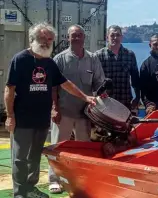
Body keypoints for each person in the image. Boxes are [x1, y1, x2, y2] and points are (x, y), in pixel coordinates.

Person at [3, 22, 96, 198]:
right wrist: (10, 116)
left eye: (50, 39)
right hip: (22, 119)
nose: (46, 42)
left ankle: (30, 188)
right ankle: (20, 193)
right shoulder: (20, 59)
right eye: (42, 38)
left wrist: (85, 97)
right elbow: (9, 89)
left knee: (35, 157)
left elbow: (65, 84)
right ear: (33, 39)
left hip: (41, 120)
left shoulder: (49, 63)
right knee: (20, 158)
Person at [48, 24, 105, 194]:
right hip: (64, 111)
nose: (77, 38)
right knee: (58, 147)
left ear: (84, 37)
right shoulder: (59, 59)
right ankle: (54, 180)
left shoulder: (93, 58)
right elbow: (53, 87)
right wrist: (54, 108)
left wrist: (102, 95)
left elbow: (99, 83)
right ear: (68, 38)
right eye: (73, 35)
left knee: (83, 149)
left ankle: (81, 179)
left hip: (84, 114)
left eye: (80, 35)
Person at [94, 25, 140, 111]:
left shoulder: (130, 55)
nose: (115, 37)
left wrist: (137, 97)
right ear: (107, 37)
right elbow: (94, 79)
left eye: (118, 35)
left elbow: (135, 79)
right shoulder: (98, 55)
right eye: (112, 35)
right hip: (105, 101)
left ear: (121, 37)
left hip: (125, 101)